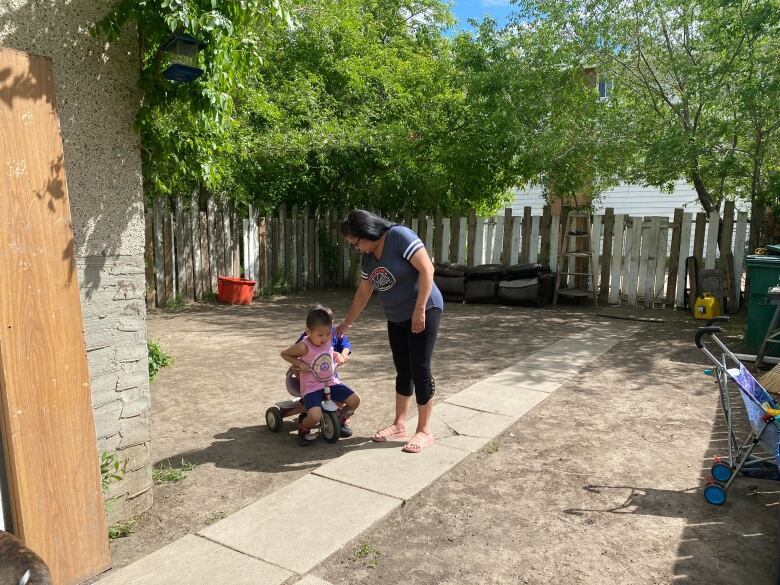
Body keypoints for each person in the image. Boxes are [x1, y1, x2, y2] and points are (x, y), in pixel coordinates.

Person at [336, 209, 443, 453]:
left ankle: (424, 431)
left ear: (367, 232)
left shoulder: (399, 236)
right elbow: (364, 293)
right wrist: (346, 323)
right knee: (402, 368)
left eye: (356, 242)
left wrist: (420, 309)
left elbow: (427, 269)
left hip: (425, 308)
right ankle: (399, 424)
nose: (357, 248)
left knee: (420, 368)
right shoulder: (369, 258)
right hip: (396, 316)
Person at [281, 306, 360, 447]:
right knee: (314, 416)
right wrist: (299, 363)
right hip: (311, 387)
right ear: (308, 332)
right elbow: (284, 354)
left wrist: (338, 355)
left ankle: (340, 419)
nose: (325, 338)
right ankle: (304, 427)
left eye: (328, 334)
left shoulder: (330, 338)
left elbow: (336, 348)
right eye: (320, 335)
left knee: (355, 401)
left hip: (330, 382)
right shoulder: (303, 346)